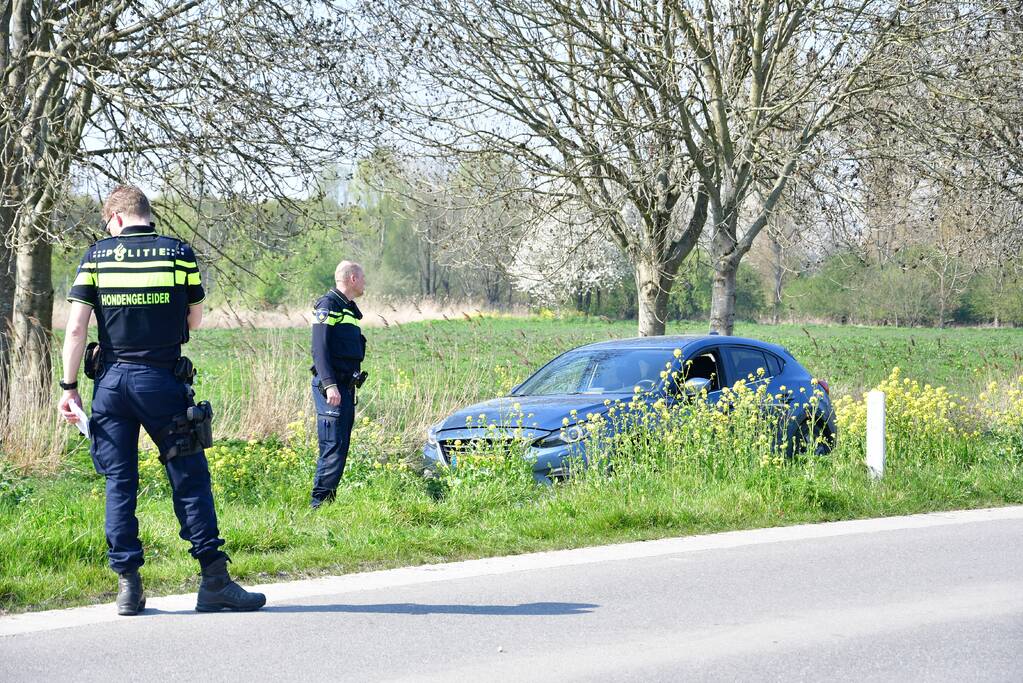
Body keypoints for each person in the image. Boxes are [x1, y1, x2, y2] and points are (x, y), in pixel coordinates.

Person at [58, 185, 265, 616]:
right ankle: (214, 581)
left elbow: (76, 330)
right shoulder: (178, 253)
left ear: (116, 218)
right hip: (162, 381)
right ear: (145, 214)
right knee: (189, 478)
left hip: (111, 385)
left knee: (120, 482)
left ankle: (128, 587)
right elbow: (195, 320)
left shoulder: (96, 257)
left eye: (107, 225)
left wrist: (68, 387)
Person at [309, 260, 367, 508]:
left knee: (340, 446)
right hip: (331, 389)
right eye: (362, 278)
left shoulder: (349, 309)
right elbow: (319, 349)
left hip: (346, 388)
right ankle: (318, 505)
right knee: (332, 445)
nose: (365, 283)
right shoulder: (329, 305)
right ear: (352, 278)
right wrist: (329, 384)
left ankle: (327, 504)